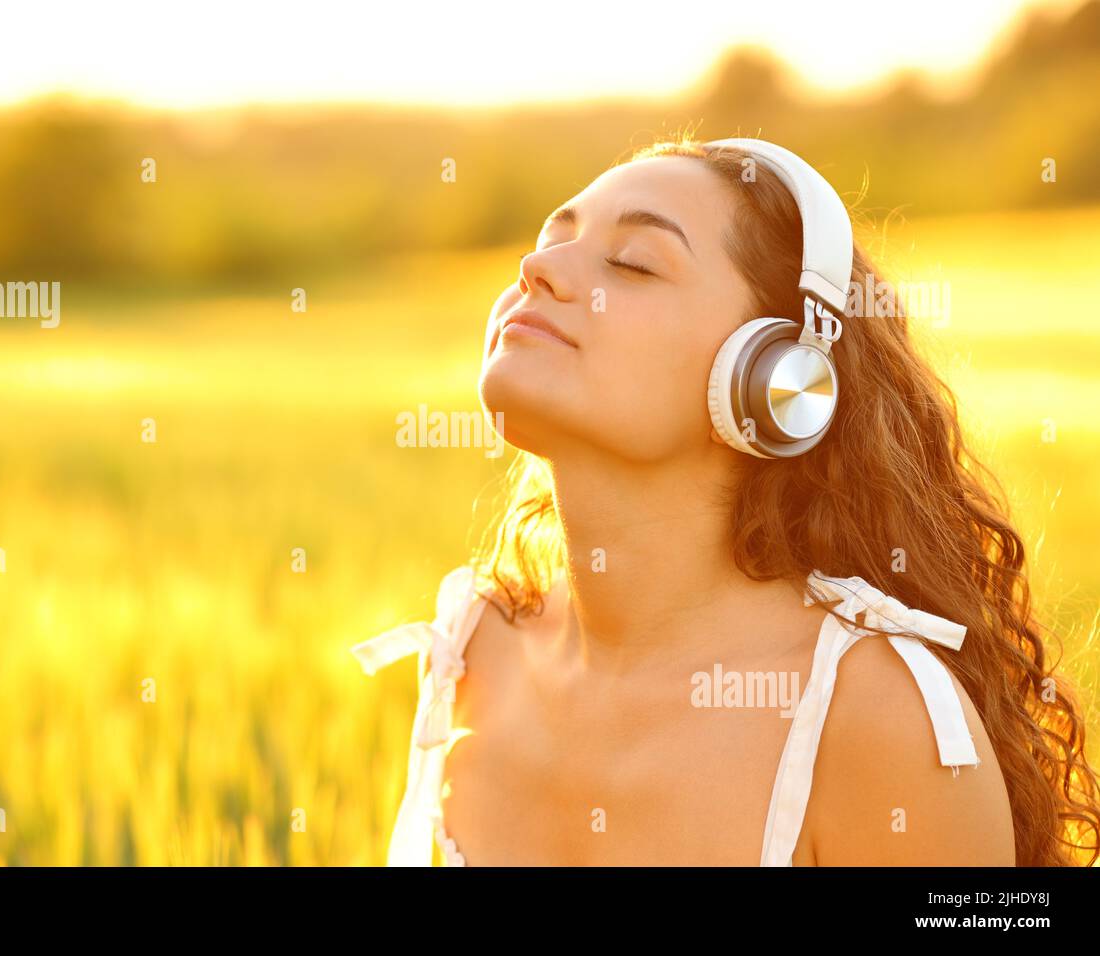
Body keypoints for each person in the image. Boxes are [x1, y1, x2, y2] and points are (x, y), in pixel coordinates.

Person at [351, 136, 1100, 867]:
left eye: (632, 263)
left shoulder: (873, 719)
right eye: (552, 239)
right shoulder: (473, 649)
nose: (536, 268)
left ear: (775, 379)